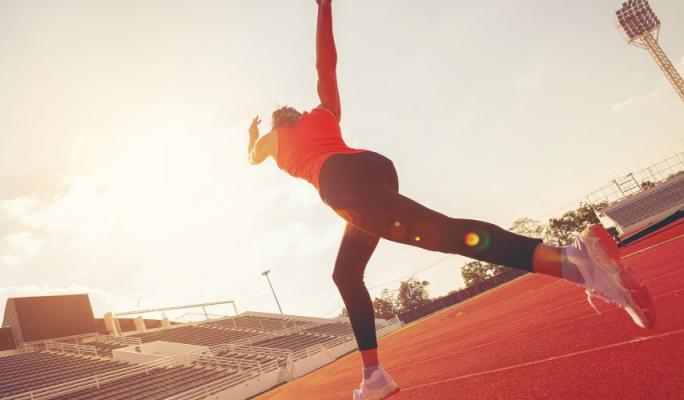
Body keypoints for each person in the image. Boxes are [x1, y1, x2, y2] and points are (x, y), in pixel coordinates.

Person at [247, 1, 656, 399]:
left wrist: (252, 138)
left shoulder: (273, 139)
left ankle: (572, 261)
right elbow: (326, 66)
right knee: (346, 273)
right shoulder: (323, 113)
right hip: (373, 168)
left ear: (277, 124)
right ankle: (373, 376)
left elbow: (253, 158)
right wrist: (324, 7)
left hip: (340, 185)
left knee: (449, 236)